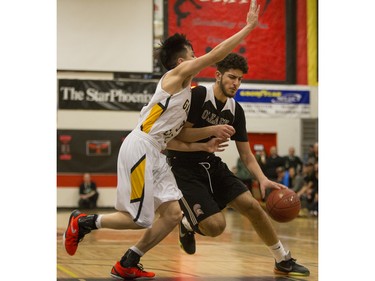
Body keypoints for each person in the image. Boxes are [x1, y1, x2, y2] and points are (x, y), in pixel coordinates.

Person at [63, 2, 261, 279]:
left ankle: (128, 263)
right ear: (182, 62)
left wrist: (202, 145)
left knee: (171, 214)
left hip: (157, 152)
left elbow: (173, 141)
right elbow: (217, 54)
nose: (198, 58)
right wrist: (249, 27)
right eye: (193, 55)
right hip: (141, 148)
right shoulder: (175, 77)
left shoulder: (185, 94)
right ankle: (83, 221)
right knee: (138, 220)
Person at [166, 53, 310, 276]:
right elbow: (177, 136)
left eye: (240, 79)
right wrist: (211, 130)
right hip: (182, 166)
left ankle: (283, 259)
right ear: (218, 75)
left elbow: (247, 154)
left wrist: (262, 178)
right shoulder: (198, 96)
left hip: (210, 163)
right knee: (216, 227)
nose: (236, 83)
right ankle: (186, 225)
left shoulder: (235, 110)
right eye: (232, 77)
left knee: (252, 206)